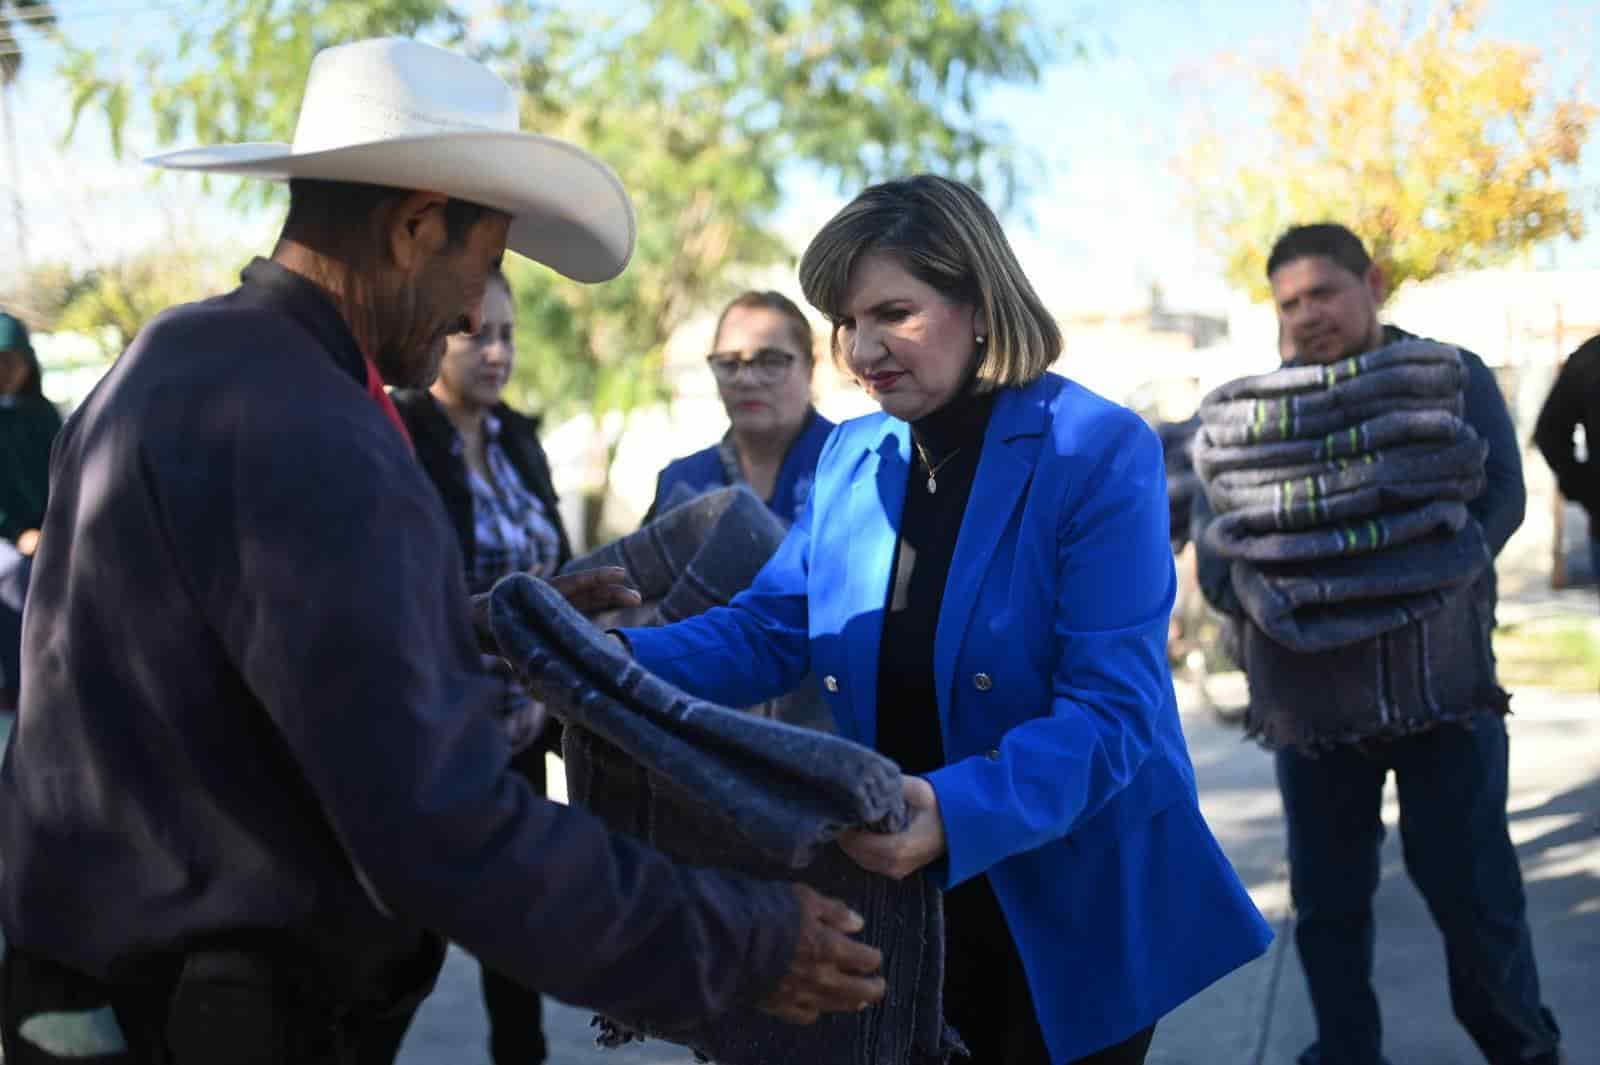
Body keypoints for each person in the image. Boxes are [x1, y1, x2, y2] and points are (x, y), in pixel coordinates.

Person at [0, 37, 883, 1065]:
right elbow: (441, 830)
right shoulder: (310, 428)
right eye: (488, 260)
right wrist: (744, 940)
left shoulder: (173, 358)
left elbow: (222, 655)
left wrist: (469, 629)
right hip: (203, 1015)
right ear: (417, 223)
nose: (479, 310)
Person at [616, 174, 1273, 1065]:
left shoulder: (1094, 448)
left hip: (1069, 900)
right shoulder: (854, 453)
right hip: (909, 893)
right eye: (848, 323)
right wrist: (603, 658)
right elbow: (766, 629)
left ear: (981, 304)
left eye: (894, 312)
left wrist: (956, 812)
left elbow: (1114, 714)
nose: (864, 350)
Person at [1194, 223, 1561, 1065]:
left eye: (1325, 291)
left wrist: (1387, 583)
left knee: (1476, 899)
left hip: (1445, 697)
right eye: (1290, 303)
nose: (1308, 314)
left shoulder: (1449, 376)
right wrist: (1282, 600)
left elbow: (1499, 498)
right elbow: (1217, 547)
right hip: (1315, 713)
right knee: (1327, 907)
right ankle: (1347, 1055)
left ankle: (1525, 1051)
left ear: (1375, 282)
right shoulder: (1255, 414)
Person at [391, 267, 568, 1065]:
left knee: (519, 949)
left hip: (521, 739)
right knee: (398, 958)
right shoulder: (396, 435)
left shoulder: (519, 439)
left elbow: (556, 563)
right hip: (434, 745)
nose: (495, 351)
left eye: (507, 333)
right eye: (475, 332)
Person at [644, 290, 833, 525]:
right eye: (729, 363)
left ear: (810, 368)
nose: (746, 379)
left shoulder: (854, 467)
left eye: (770, 361)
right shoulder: (683, 481)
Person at [0, 311, 61, 717]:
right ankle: (23, 689)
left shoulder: (44, 415)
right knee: (13, 579)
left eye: (11, 361)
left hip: (53, 529)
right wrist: (18, 531)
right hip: (10, 539)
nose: (5, 372)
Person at [1533, 333, 1600, 592]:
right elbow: (1550, 432)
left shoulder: (1590, 356)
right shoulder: (1591, 357)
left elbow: (1549, 432)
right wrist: (1587, 490)